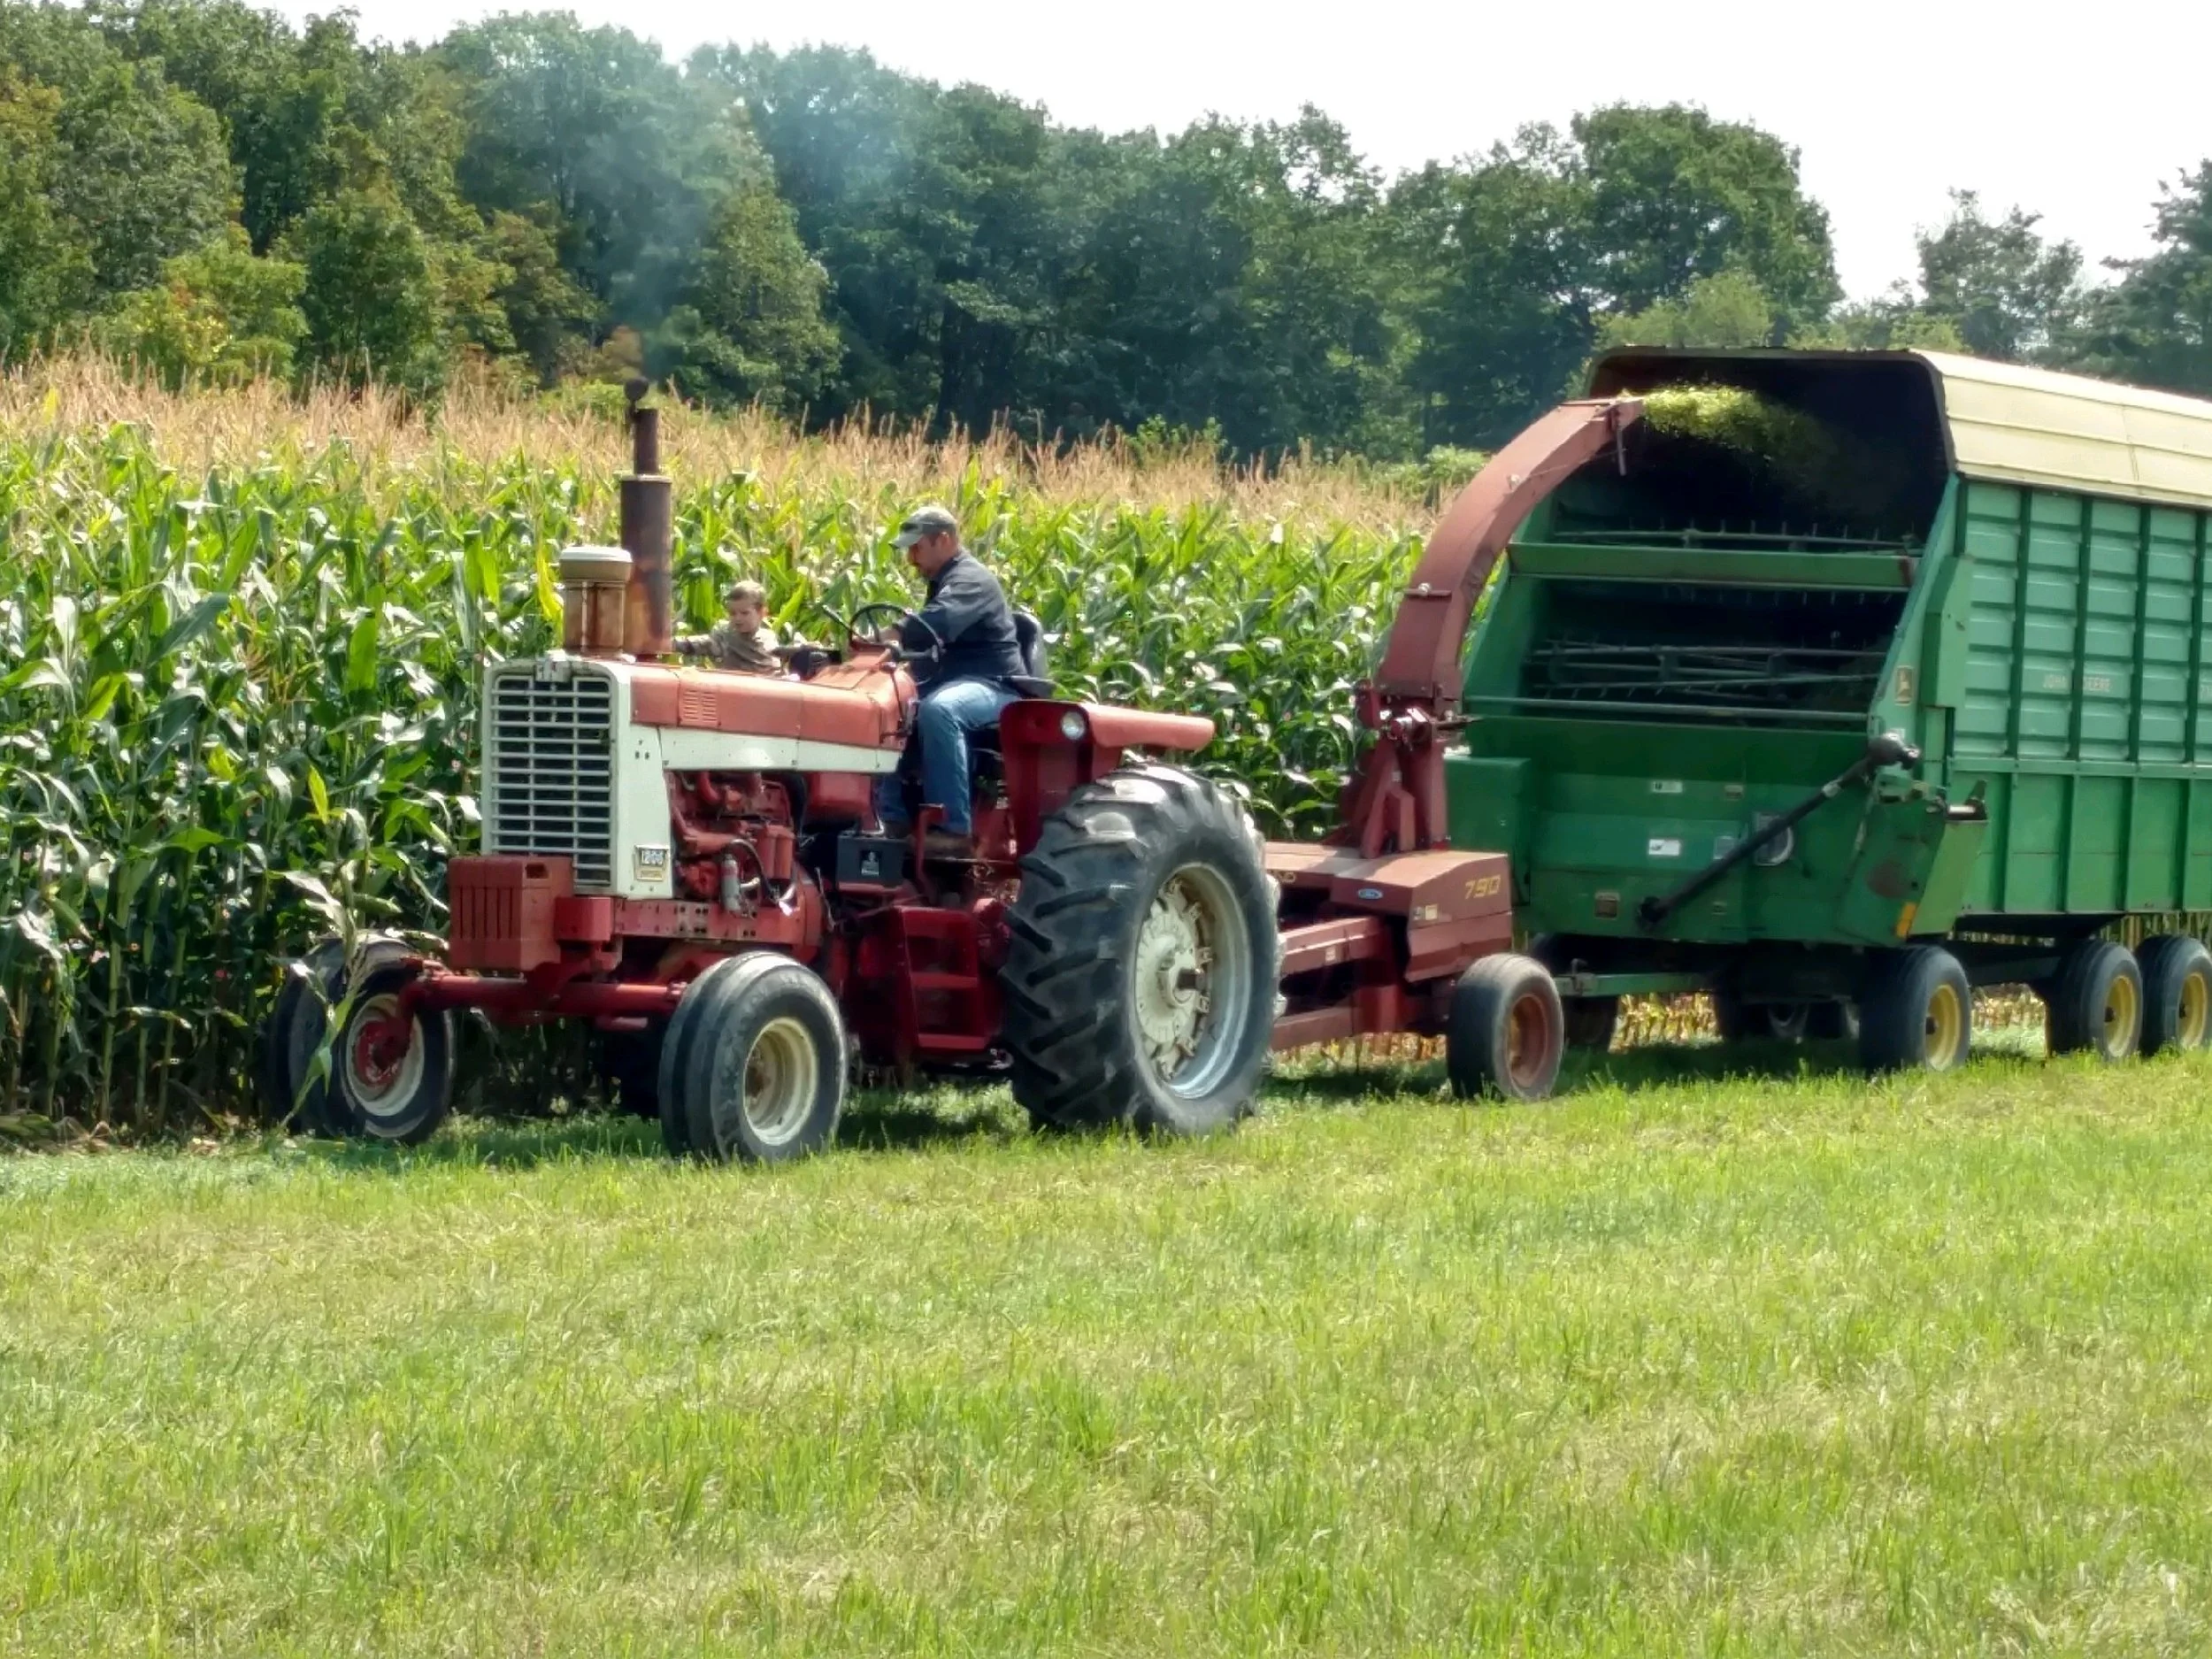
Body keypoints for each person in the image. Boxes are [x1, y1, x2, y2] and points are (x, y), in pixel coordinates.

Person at [872, 503, 1025, 858]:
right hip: (958, 680)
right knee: (889, 703)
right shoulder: (944, 580)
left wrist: (893, 632)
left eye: (917, 548)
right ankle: (888, 819)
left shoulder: (971, 579)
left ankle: (954, 829)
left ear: (943, 540)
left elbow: (935, 624)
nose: (911, 558)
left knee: (941, 710)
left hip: (997, 685)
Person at [674, 579, 780, 672]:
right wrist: (673, 643)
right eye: (733, 613)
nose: (737, 618)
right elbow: (704, 644)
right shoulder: (725, 636)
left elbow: (775, 671)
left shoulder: (768, 640)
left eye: (744, 613)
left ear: (762, 612)